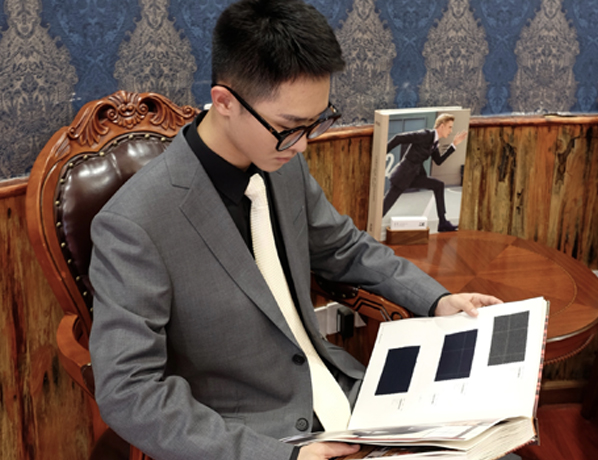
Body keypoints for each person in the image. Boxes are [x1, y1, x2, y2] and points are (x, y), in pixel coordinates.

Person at [88, 1, 501, 459]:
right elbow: (130, 391)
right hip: (256, 438)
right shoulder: (134, 223)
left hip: (345, 395)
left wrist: (437, 299)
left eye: (316, 121)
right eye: (289, 127)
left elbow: (344, 247)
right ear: (224, 102)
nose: (303, 144)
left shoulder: (281, 161)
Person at [382, 114, 468, 232]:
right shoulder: (425, 135)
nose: (451, 131)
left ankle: (443, 222)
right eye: (449, 127)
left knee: (438, 185)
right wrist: (382, 152)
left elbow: (438, 161)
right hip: (403, 176)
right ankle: (368, 224)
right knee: (383, 208)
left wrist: (453, 145)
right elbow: (398, 138)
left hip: (414, 176)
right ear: (442, 126)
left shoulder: (434, 142)